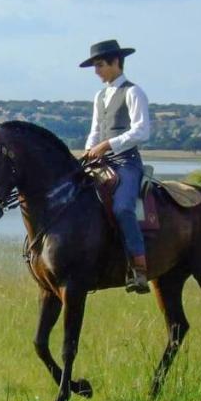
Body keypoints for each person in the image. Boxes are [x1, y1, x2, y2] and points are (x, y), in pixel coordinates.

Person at [79, 39, 153, 294]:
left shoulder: (133, 92)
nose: (96, 71)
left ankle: (140, 268)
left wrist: (108, 144)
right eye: (95, 66)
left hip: (126, 163)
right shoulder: (99, 96)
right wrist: (90, 150)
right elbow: (95, 131)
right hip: (99, 161)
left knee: (122, 208)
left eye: (100, 65)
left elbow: (142, 131)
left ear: (115, 63)